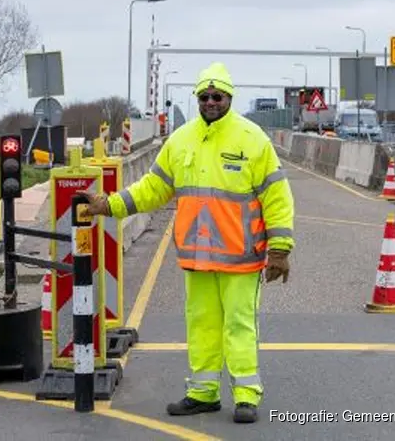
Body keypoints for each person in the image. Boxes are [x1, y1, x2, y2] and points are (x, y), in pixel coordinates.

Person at [77, 62, 295, 424]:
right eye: (205, 96)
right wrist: (110, 205)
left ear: (229, 98)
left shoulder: (252, 138)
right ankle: (203, 393)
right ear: (197, 98)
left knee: (239, 324)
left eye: (218, 96)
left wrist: (280, 250)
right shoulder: (180, 140)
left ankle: (245, 396)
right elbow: (154, 188)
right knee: (201, 324)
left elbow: (277, 197)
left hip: (242, 257)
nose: (211, 102)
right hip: (197, 257)